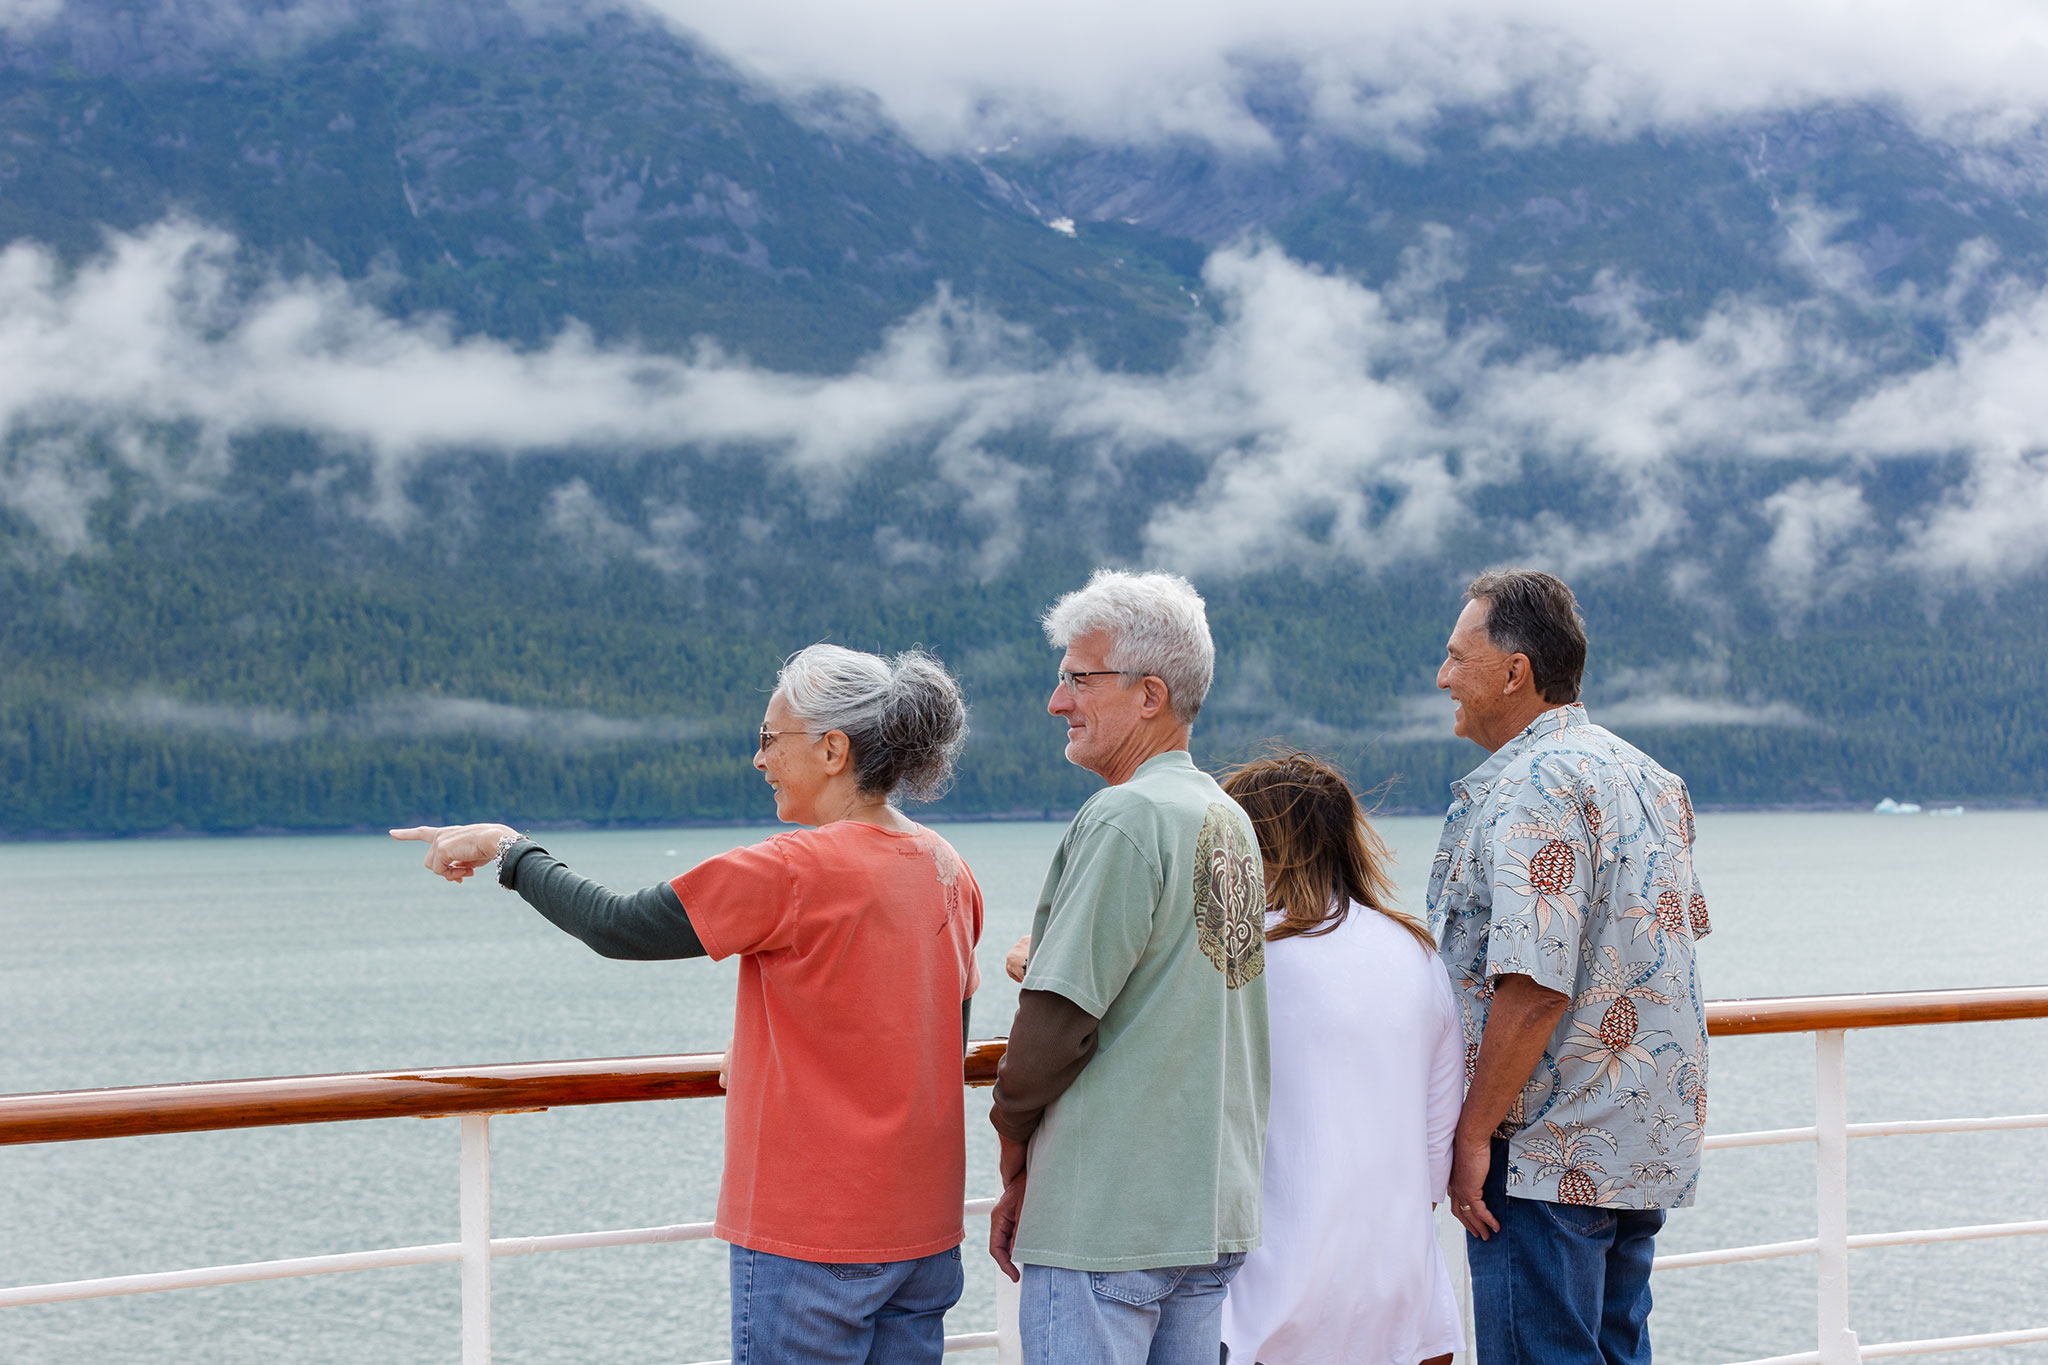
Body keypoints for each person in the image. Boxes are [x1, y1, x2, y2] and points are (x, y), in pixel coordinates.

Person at [390, 644, 985, 1365]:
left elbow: (616, 924)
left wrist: (509, 849)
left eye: (771, 738)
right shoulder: (950, 869)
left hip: (811, 1239)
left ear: (833, 749)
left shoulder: (792, 870)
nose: (758, 759)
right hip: (923, 1234)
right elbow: (929, 1039)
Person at [988, 568, 1269, 1365]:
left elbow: (1058, 1022)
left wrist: (1012, 1143)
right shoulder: (1228, 817)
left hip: (1108, 1219)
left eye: (1078, 677)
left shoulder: (1125, 817)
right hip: (1208, 1214)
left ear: (1150, 693)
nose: (1057, 700)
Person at [1430, 569, 1710, 1365]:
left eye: (1456, 656)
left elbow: (1534, 985)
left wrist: (1474, 1133)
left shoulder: (1534, 785)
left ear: (1514, 671)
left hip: (1546, 1147)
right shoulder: (1652, 779)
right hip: (1635, 1146)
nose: (1442, 676)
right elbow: (1667, 947)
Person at [1215, 752, 1463, 1365]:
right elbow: (1436, 1159)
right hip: (1402, 1301)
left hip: (1268, 1307)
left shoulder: (1239, 959)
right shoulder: (1417, 953)